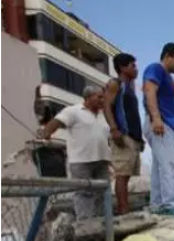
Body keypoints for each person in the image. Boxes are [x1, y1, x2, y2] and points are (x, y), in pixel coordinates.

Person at [41, 86, 110, 219]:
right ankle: (84, 225)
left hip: (102, 160)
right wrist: (46, 132)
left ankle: (100, 223)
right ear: (88, 97)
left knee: (102, 192)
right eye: (99, 97)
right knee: (83, 193)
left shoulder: (102, 115)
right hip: (81, 161)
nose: (103, 100)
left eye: (103, 97)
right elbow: (56, 122)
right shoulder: (73, 111)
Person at [143, 42, 174, 215]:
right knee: (169, 164)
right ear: (167, 56)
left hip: (164, 125)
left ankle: (157, 204)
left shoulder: (166, 75)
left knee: (158, 167)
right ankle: (172, 204)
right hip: (161, 124)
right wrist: (156, 118)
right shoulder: (156, 68)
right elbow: (149, 90)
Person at [104, 53, 144, 215]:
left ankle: (125, 209)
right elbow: (107, 106)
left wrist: (140, 139)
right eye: (132, 66)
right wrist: (114, 129)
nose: (136, 69)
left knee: (127, 175)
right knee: (122, 175)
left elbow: (133, 115)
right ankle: (123, 210)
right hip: (123, 136)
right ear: (122, 67)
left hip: (133, 138)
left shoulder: (131, 89)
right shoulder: (115, 84)